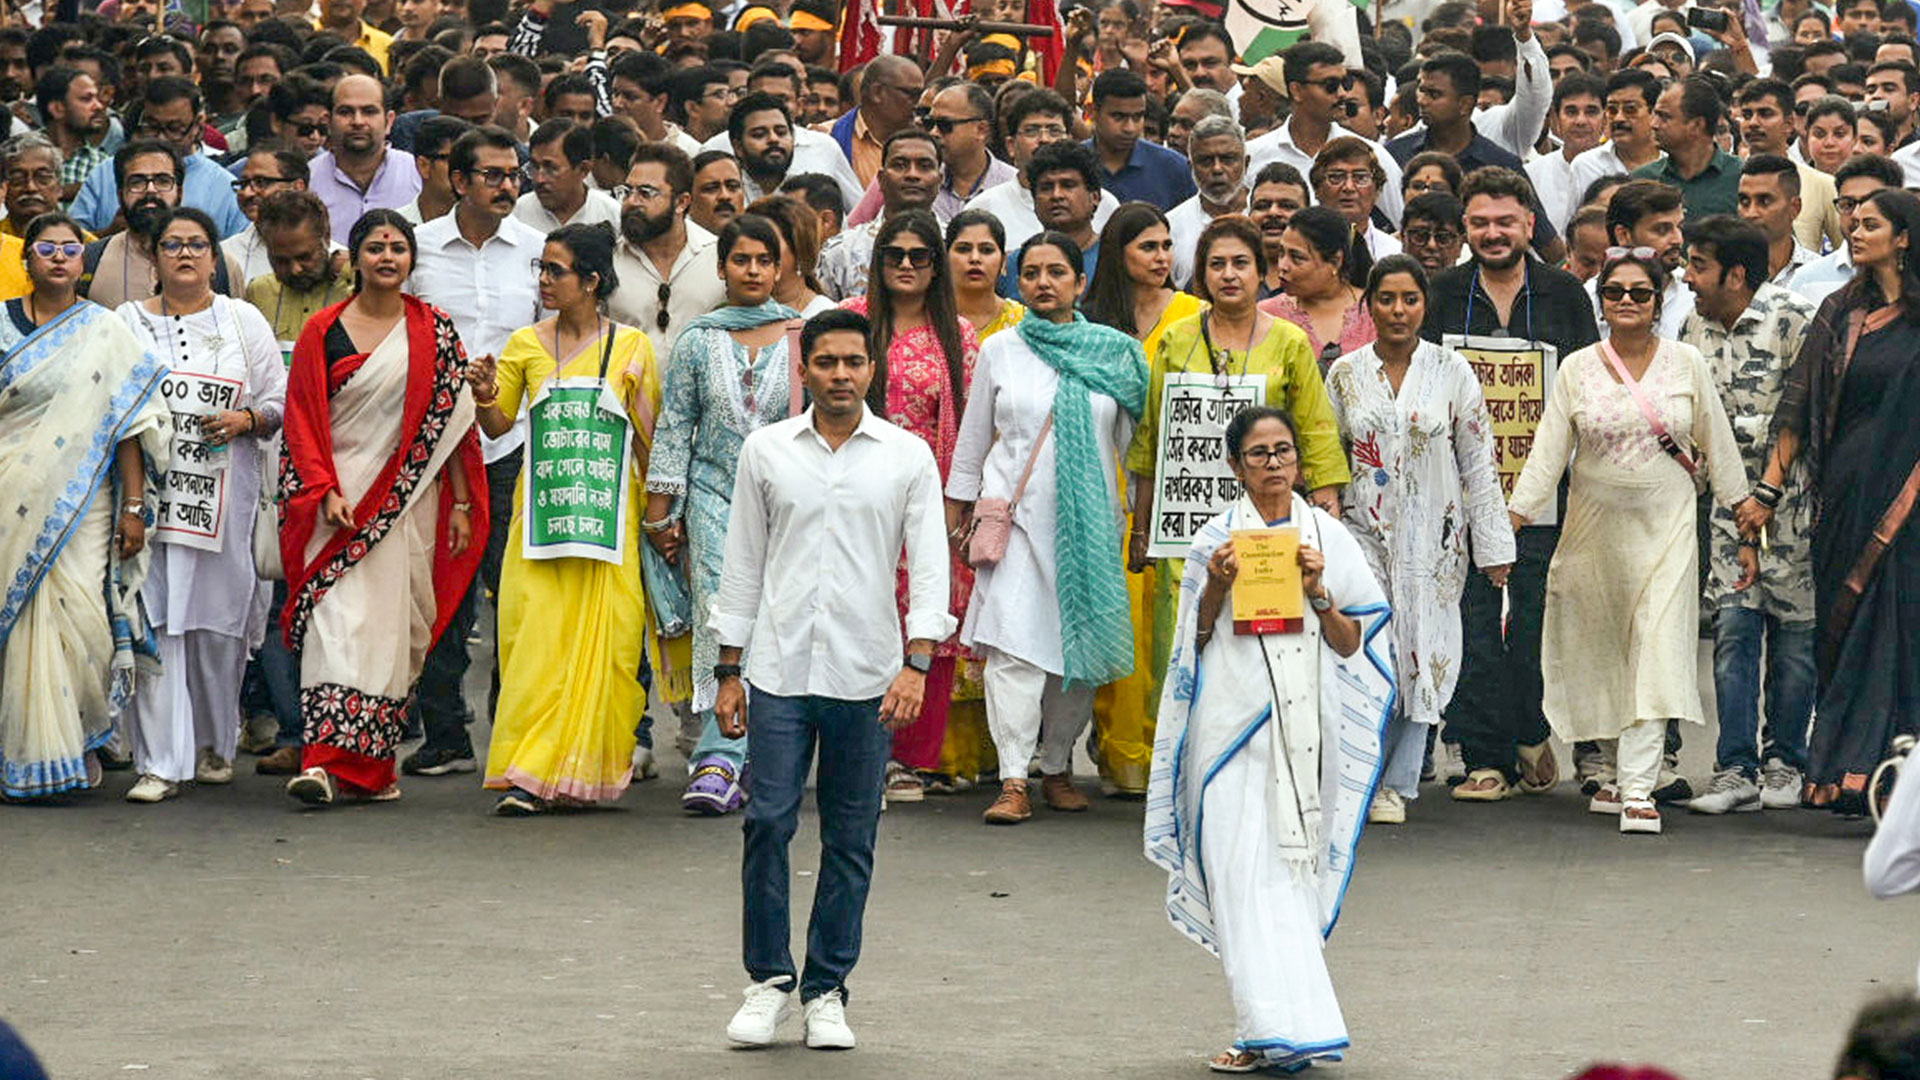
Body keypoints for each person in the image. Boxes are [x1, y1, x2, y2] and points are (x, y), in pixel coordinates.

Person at [715, 307, 953, 1051]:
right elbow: (743, 560)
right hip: (780, 667)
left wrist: (918, 661)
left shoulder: (906, 455)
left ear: (871, 370)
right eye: (827, 363)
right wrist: (728, 668)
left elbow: (932, 564)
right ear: (805, 369)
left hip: (868, 669)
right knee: (767, 823)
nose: (841, 376)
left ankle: (826, 989)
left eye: (854, 363)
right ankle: (767, 982)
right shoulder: (767, 451)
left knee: (852, 836)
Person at [1142, 405, 1394, 1075]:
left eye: (1283, 451)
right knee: (1233, 874)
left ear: (1299, 462)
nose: (1274, 464)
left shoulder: (1329, 539)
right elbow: (1190, 649)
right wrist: (1217, 589)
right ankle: (1264, 1023)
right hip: (1228, 731)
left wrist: (1317, 594)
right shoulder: (1213, 540)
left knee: (1286, 879)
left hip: (1303, 733)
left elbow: (1351, 645)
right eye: (1259, 454)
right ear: (1235, 467)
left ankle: (1281, 1027)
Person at [1506, 249, 1751, 834]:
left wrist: (1745, 521)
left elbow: (1717, 444)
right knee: (1606, 651)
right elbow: (1547, 454)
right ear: (1601, 301)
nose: (1627, 302)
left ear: (1659, 299)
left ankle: (1640, 785)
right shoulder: (1577, 369)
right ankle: (1615, 771)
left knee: (1658, 646)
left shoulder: (1686, 362)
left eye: (1640, 293)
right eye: (1615, 292)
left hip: (1667, 532)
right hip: (1594, 534)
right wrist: (1510, 521)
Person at [279, 209, 488, 806]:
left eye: (398, 247)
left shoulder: (434, 330)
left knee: (389, 636)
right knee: (333, 630)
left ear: (412, 258)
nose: (388, 257)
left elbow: (452, 425)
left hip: (404, 506)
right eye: (376, 247)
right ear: (356, 257)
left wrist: (462, 504)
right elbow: (301, 422)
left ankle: (368, 771)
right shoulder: (324, 330)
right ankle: (320, 763)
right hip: (336, 507)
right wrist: (323, 492)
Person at [460, 223, 664, 814]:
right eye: (541, 270)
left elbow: (650, 441)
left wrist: (660, 519)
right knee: (533, 643)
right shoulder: (525, 344)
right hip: (541, 520)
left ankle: (580, 774)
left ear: (592, 281)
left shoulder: (631, 347)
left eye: (556, 270)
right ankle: (528, 774)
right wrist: (482, 393)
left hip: (608, 524)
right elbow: (499, 427)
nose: (544, 280)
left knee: (608, 647)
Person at [946, 231, 1148, 824]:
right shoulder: (1000, 350)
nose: (1043, 282)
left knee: (1074, 654)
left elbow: (1135, 449)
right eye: (1031, 272)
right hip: (1016, 525)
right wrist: (958, 508)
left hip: (1091, 530)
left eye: (1056, 271)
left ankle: (1056, 764)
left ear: (1079, 283)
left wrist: (1140, 525)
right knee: (1013, 649)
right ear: (1019, 282)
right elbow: (975, 437)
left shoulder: (1114, 353)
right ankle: (1013, 778)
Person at [1424, 165, 1602, 799]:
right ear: (1463, 228)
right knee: (1469, 621)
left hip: (1541, 495)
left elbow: (1586, 390)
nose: (1493, 233)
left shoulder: (1565, 295)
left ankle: (1530, 726)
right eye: (1480, 223)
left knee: (1531, 621)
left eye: (1506, 222)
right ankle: (1484, 757)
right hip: (1457, 495)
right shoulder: (1440, 293)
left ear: (1531, 223)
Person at [1325, 255, 1515, 821]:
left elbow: (1479, 461)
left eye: (1410, 299)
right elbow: (1328, 457)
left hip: (1436, 540)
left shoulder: (1452, 372)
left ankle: (1396, 783)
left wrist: (1494, 547)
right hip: (1364, 534)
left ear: (1424, 305)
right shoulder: (1345, 374)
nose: (1398, 310)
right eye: (1387, 299)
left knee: (1422, 654)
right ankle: (1359, 773)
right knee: (1370, 649)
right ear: (1369, 306)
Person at [118, 207, 286, 804]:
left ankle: (215, 744)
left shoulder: (242, 321)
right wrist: (132, 503)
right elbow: (116, 410)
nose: (184, 254)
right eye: (171, 244)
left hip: (225, 502)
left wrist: (245, 419)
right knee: (156, 622)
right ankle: (160, 762)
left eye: (196, 244)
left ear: (216, 257)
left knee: (219, 629)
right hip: (154, 506)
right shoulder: (127, 322)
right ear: (154, 258)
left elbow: (277, 402)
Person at [0, 214, 170, 802]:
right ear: (27, 260)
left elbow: (129, 425)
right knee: (19, 619)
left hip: (85, 501)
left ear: (83, 262)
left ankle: (76, 739)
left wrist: (134, 507)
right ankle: (23, 755)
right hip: (9, 494)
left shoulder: (106, 330)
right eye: (45, 248)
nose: (57, 258)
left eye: (70, 249)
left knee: (84, 620)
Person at [1768, 189, 1920, 812]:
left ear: (1905, 238)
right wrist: (1767, 490)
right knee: (1846, 623)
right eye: (1852, 225)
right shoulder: (1840, 309)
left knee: (1900, 631)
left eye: (1871, 226)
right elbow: (1798, 403)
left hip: (1910, 499)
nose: (1855, 234)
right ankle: (1845, 770)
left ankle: (1888, 771)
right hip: (1845, 492)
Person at [645, 214, 800, 816]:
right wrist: (662, 517)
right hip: (712, 498)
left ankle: (764, 752)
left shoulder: (799, 335)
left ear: (781, 267)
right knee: (723, 617)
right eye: (742, 260)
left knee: (777, 618)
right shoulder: (698, 340)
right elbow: (676, 427)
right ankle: (719, 754)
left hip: (788, 501)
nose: (754, 271)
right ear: (722, 268)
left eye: (765, 260)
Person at [831, 209, 978, 802]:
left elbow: (969, 427)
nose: (909, 266)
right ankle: (862, 750)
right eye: (897, 255)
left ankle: (910, 759)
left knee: (930, 619)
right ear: (879, 262)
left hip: (933, 495)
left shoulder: (958, 334)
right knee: (862, 614)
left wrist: (957, 503)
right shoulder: (855, 323)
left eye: (921, 256)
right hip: (860, 488)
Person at [1675, 215, 1820, 816]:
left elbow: (1802, 414)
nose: (1687, 277)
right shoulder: (1693, 327)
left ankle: (1786, 759)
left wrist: (1765, 491)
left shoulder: (1792, 318)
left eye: (1698, 265)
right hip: (1728, 515)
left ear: (1736, 273)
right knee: (1733, 635)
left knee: (1794, 642)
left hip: (1789, 511)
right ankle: (1735, 769)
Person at [70, 77, 247, 240]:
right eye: (152, 127)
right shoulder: (106, 172)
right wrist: (110, 235)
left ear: (199, 125)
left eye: (174, 128)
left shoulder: (224, 188)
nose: (161, 138)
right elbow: (69, 242)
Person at [82, 140, 246, 312]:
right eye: (137, 182)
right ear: (120, 194)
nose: (151, 190)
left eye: (162, 181)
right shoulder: (90, 262)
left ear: (180, 192)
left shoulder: (220, 264)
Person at [610, 143, 728, 361]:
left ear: (681, 202)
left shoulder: (718, 257)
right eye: (627, 191)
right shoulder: (609, 259)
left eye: (646, 193)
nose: (632, 202)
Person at [1262, 205, 1376, 371]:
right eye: (1281, 254)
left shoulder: (1375, 312)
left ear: (1336, 261)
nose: (1283, 266)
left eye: (1297, 258)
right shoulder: (1267, 315)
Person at [1795, 154, 1904, 306]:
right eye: (1848, 204)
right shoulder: (1807, 280)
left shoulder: (1913, 279)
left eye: (1870, 203)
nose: (1857, 214)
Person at [1634, 76, 1743, 223]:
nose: (1654, 124)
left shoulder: (1742, 177)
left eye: (1664, 117)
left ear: (1697, 125)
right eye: (1655, 114)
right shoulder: (1643, 181)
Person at [1165, 115, 1248, 290]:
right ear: (1191, 167)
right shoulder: (1170, 226)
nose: (1217, 169)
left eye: (1227, 159)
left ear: (1246, 163)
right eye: (1206, 161)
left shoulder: (1269, 218)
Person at [224, 143, 315, 286]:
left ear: (298, 187)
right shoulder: (225, 255)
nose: (247, 193)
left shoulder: (331, 257)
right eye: (243, 184)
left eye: (261, 182)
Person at [514, 118, 622, 233]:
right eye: (534, 167)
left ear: (583, 169)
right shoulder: (518, 214)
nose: (539, 179)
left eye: (551, 168)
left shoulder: (612, 216)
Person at [748, 193, 833, 317]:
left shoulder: (827, 317)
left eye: (769, 242)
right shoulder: (727, 317)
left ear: (800, 250)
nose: (755, 251)